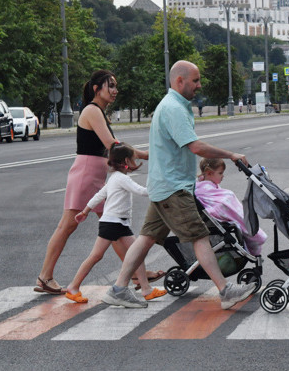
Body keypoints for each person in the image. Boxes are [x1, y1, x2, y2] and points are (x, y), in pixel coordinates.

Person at [103, 60, 256, 309]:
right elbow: (194, 146)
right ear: (179, 81)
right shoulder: (173, 108)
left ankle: (118, 289)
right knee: (199, 236)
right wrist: (230, 155)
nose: (199, 85)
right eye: (195, 80)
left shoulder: (172, 106)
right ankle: (225, 291)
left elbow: (167, 149)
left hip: (164, 186)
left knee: (146, 239)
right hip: (173, 189)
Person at [35, 70, 161, 295]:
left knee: (114, 227)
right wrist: (143, 154)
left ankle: (135, 272)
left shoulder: (99, 112)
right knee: (68, 226)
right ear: (96, 89)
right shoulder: (92, 111)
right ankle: (45, 276)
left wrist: (138, 155)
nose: (115, 90)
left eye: (115, 86)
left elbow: (113, 146)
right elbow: (112, 144)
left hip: (95, 175)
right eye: (110, 86)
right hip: (86, 174)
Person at [65, 142, 167, 303]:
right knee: (97, 256)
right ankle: (73, 287)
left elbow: (99, 195)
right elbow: (141, 191)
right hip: (113, 223)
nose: (135, 162)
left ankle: (146, 289)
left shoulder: (114, 178)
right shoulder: (121, 179)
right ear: (126, 161)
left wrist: (85, 211)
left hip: (118, 223)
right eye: (133, 159)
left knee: (136, 253)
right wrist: (161, 188)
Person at [195, 158, 267, 256]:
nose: (223, 176)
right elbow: (217, 204)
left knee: (229, 197)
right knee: (229, 199)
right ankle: (254, 234)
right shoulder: (203, 188)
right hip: (217, 213)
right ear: (209, 173)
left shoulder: (203, 184)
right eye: (220, 173)